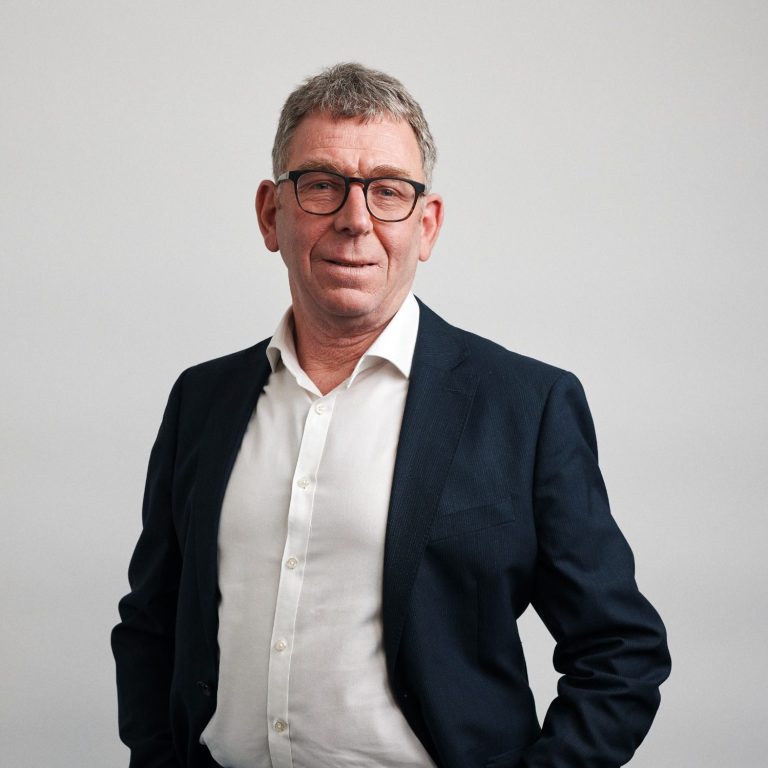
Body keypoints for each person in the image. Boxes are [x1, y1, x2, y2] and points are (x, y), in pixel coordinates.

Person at [112, 63, 670, 768]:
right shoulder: (202, 401)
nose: (355, 219)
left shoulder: (525, 409)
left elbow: (621, 650)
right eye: (322, 185)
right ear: (271, 214)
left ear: (426, 225)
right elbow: (151, 624)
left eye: (388, 191)